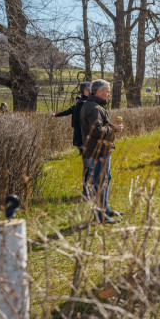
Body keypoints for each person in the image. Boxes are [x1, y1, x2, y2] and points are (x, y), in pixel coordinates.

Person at [80, 79, 124, 224]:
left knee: (106, 179)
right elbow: (97, 131)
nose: (109, 94)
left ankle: (106, 209)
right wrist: (113, 129)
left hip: (100, 150)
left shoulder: (94, 106)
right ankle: (100, 217)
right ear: (99, 92)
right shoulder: (94, 108)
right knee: (100, 183)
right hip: (98, 152)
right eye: (107, 91)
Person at [53, 82, 92, 154]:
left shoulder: (84, 102)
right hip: (82, 135)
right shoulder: (83, 103)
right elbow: (82, 121)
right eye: (91, 89)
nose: (93, 91)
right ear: (86, 91)